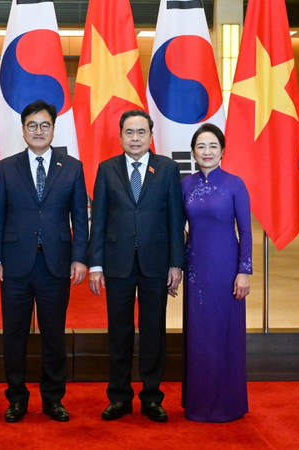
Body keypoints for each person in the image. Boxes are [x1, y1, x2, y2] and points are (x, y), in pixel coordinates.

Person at [0, 100, 89, 423]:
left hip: (56, 264)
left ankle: (53, 399)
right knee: (14, 335)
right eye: (32, 125)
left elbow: (80, 219)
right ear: (23, 130)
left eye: (45, 125)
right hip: (15, 264)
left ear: (53, 129)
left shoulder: (71, 167)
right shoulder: (7, 167)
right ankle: (16, 398)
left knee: (54, 335)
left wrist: (80, 257)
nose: (38, 131)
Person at [88, 110, 185, 423]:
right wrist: (95, 264)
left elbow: (176, 219)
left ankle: (152, 398)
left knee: (154, 332)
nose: (135, 138)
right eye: (129, 132)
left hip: (156, 264)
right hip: (117, 264)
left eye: (141, 132)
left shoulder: (167, 169)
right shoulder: (106, 169)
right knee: (119, 332)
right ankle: (119, 397)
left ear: (151, 136)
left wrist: (176, 264)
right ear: (120, 136)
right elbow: (98, 220)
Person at [181, 123, 252, 422]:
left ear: (223, 151)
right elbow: (177, 228)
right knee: (199, 335)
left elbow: (245, 231)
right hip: (196, 271)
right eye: (201, 146)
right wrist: (176, 266)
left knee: (225, 333)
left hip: (226, 270)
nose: (207, 151)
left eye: (213, 146)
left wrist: (244, 271)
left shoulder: (235, 184)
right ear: (193, 152)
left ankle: (228, 404)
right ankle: (198, 403)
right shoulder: (185, 184)